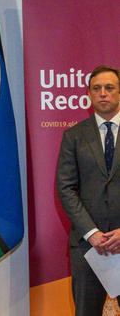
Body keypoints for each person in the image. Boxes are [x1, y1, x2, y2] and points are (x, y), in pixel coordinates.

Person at [57, 65, 120, 315]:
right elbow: (66, 187)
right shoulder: (73, 136)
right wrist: (92, 232)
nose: (103, 93)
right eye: (96, 88)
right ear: (89, 95)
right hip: (87, 247)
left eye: (109, 87)